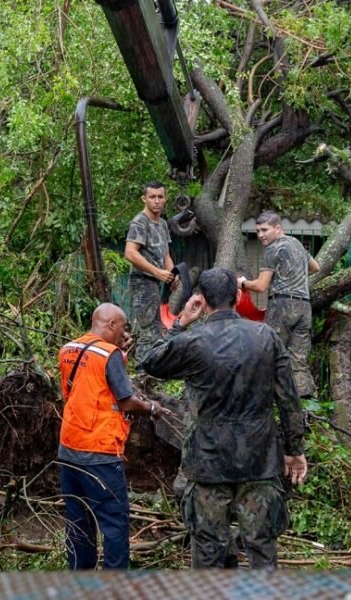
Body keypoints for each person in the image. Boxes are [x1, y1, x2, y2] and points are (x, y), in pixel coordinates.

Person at [141, 268, 307, 569]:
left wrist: (180, 323)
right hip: (259, 461)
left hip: (207, 464)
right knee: (262, 552)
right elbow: (289, 399)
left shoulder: (194, 341)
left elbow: (151, 361)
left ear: (201, 301)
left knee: (207, 554)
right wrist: (294, 450)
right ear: (239, 295)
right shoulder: (266, 336)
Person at [58, 303, 169, 570]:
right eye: (123, 327)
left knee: (78, 523)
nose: (124, 332)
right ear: (111, 325)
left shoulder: (68, 350)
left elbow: (82, 389)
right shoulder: (109, 355)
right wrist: (152, 408)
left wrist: (119, 354)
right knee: (114, 524)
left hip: (68, 450)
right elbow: (127, 401)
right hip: (101, 453)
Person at [238, 211, 320, 398]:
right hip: (304, 306)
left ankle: (261, 397)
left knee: (268, 352)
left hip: (282, 304)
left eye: (265, 230)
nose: (260, 235)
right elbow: (315, 267)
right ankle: (304, 402)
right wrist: (294, 277)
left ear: (278, 228)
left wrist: (242, 283)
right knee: (298, 359)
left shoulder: (271, 250)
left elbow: (260, 286)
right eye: (258, 231)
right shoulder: (297, 244)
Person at [124, 181, 176, 362]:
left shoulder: (161, 223)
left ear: (165, 199)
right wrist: (157, 272)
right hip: (142, 282)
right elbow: (130, 253)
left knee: (156, 329)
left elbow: (166, 254)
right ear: (144, 199)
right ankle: (141, 374)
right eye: (152, 197)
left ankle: (151, 373)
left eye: (160, 197)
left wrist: (172, 275)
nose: (156, 201)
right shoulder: (140, 222)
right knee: (147, 332)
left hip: (156, 283)